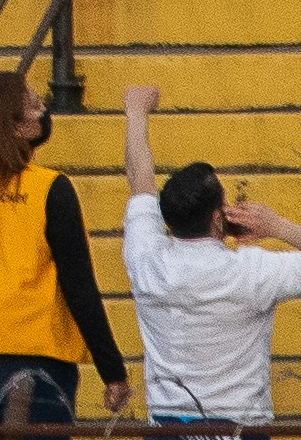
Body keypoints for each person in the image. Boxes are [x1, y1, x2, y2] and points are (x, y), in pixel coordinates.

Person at [0, 66, 131, 427]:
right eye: (34, 105)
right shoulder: (50, 188)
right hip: (32, 355)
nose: (43, 112)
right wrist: (112, 370)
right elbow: (79, 285)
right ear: (16, 128)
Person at [116, 81, 301, 424]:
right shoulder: (252, 270)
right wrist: (277, 227)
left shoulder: (148, 261)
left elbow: (139, 181)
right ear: (218, 217)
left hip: (168, 428)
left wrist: (136, 112)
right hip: (238, 427)